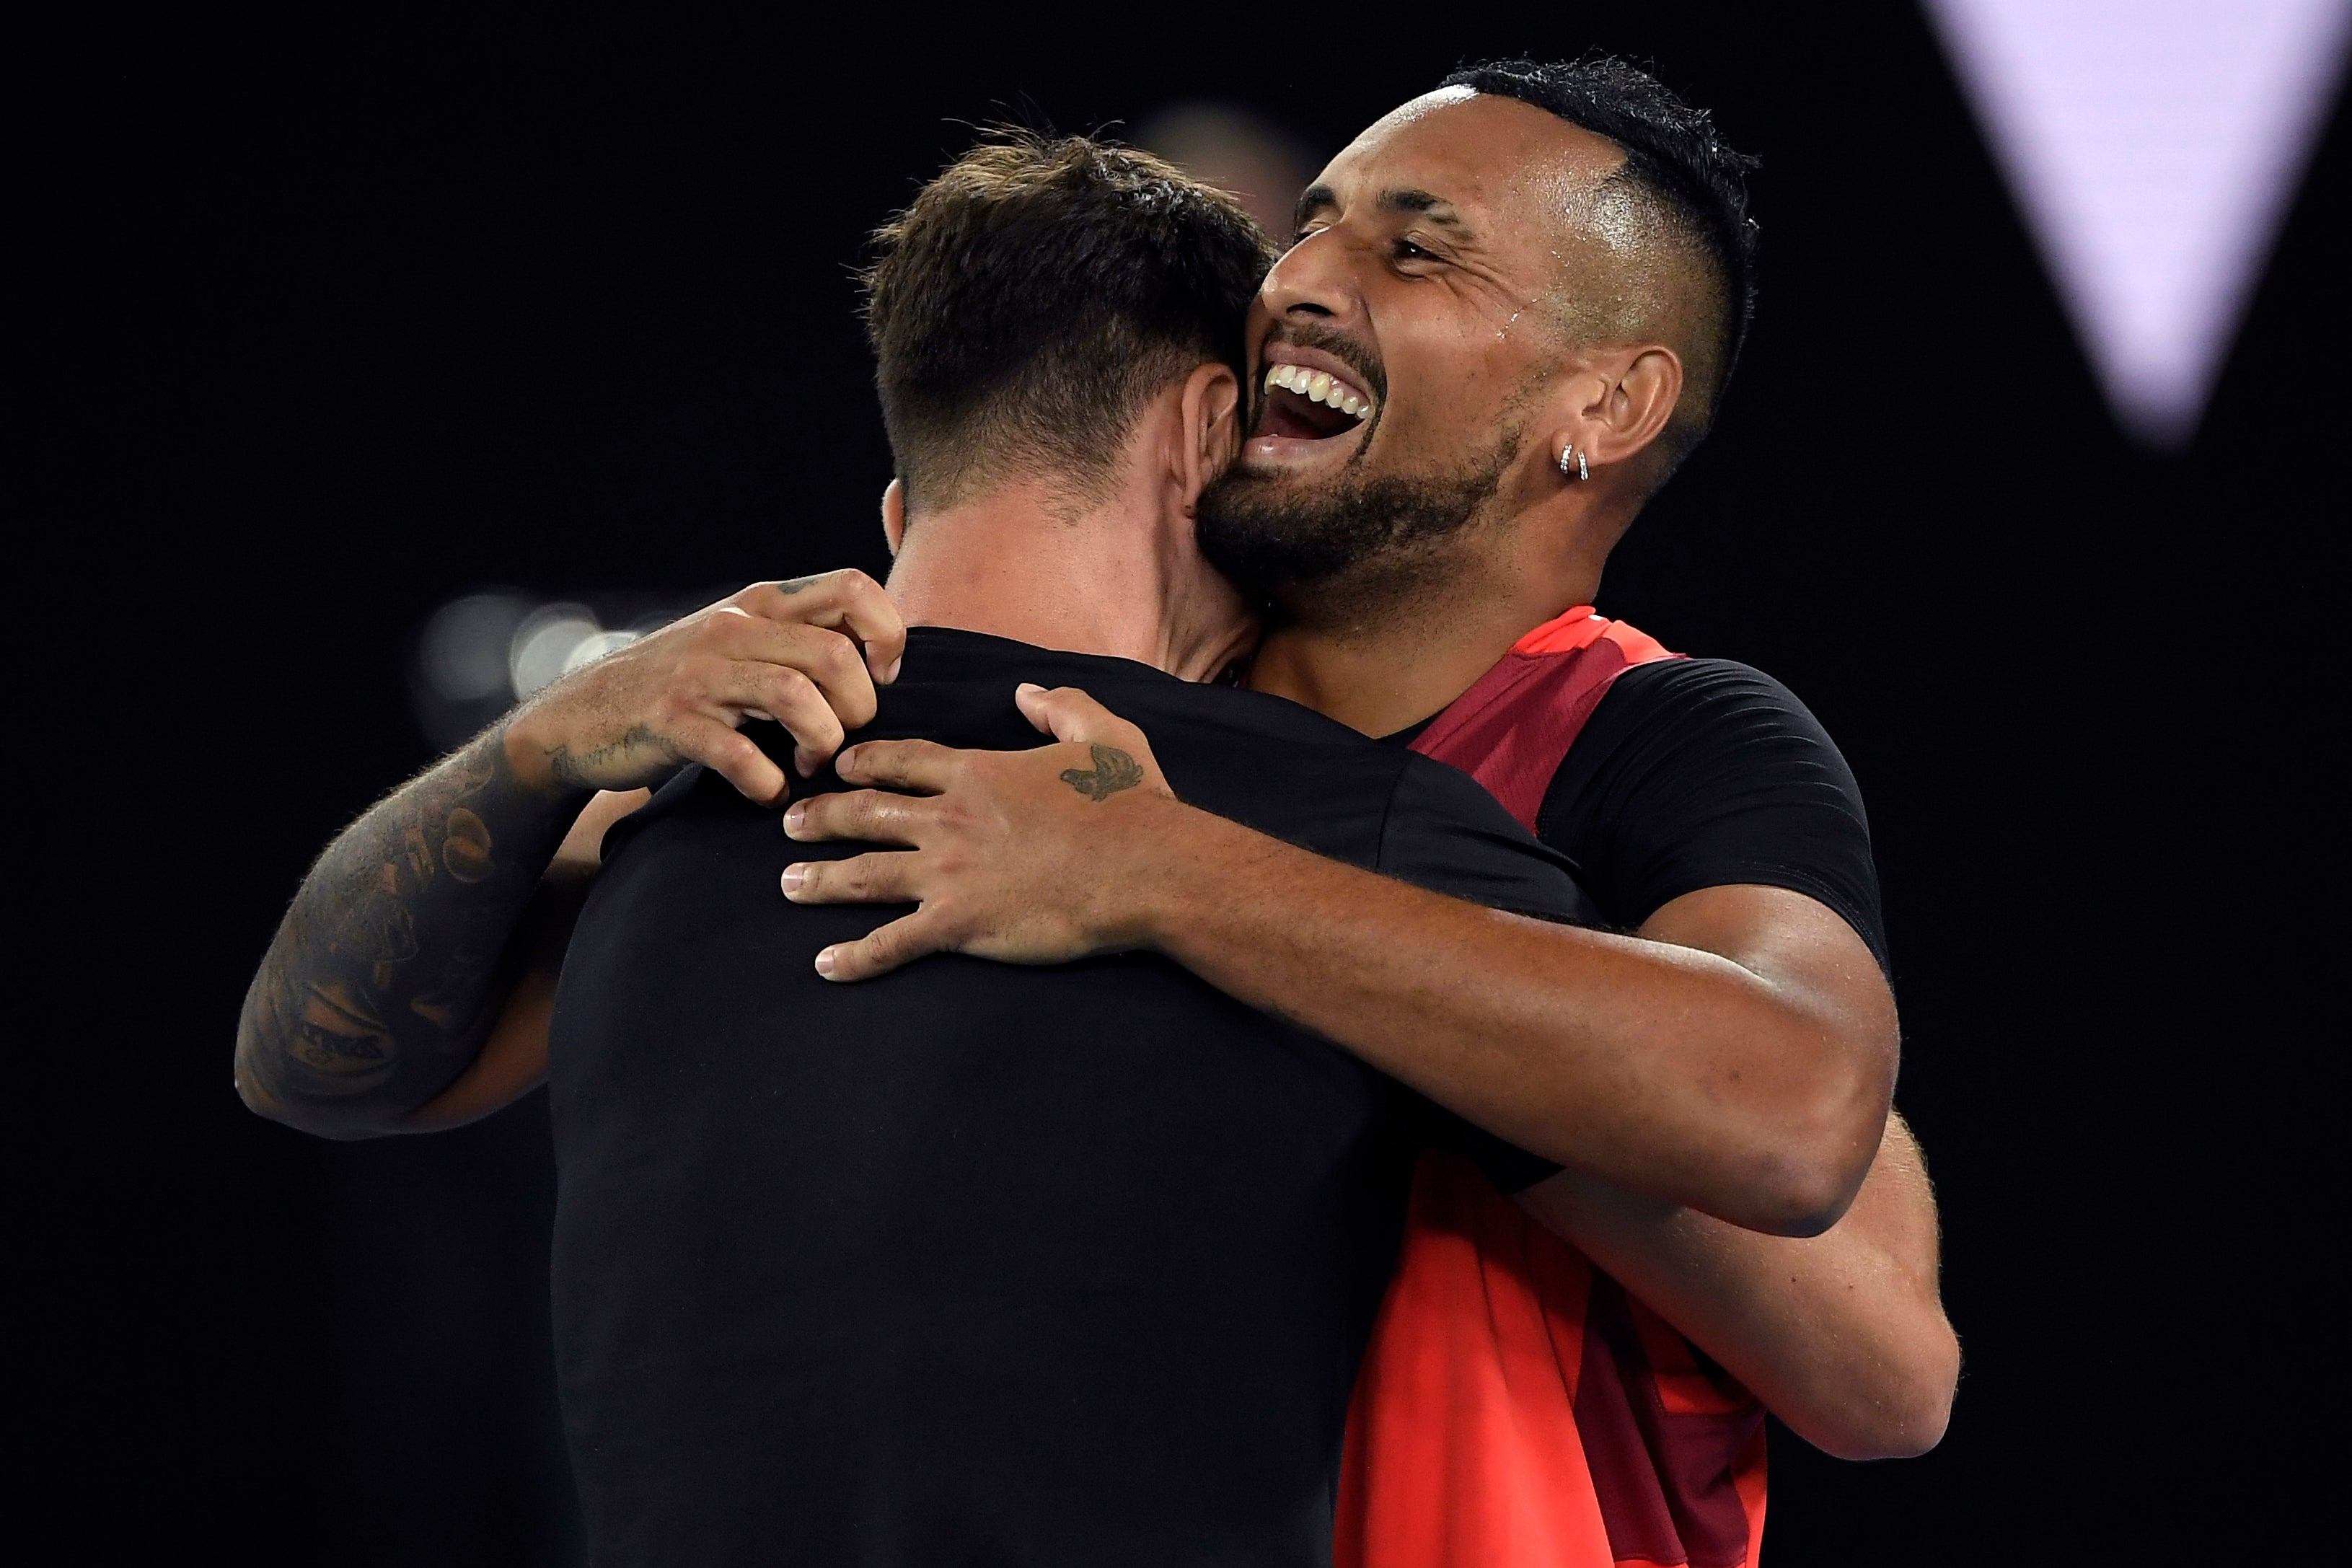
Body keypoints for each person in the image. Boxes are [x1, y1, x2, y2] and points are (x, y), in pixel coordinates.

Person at [239, 134, 1608, 1566]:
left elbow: (304, 1064)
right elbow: (1838, 1311)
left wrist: (541, 743)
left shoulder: (667, 819)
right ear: (1207, 434)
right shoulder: (1354, 827)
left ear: (902, 512)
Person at [779, 59, 1955, 1568]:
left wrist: (1182, 883)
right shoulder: (1108, 692)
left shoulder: (1656, 741)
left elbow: (1876, 1348)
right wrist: (557, 741)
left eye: (1413, 249)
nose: (1296, 282)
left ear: (1603, 401)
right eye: (1309, 230)